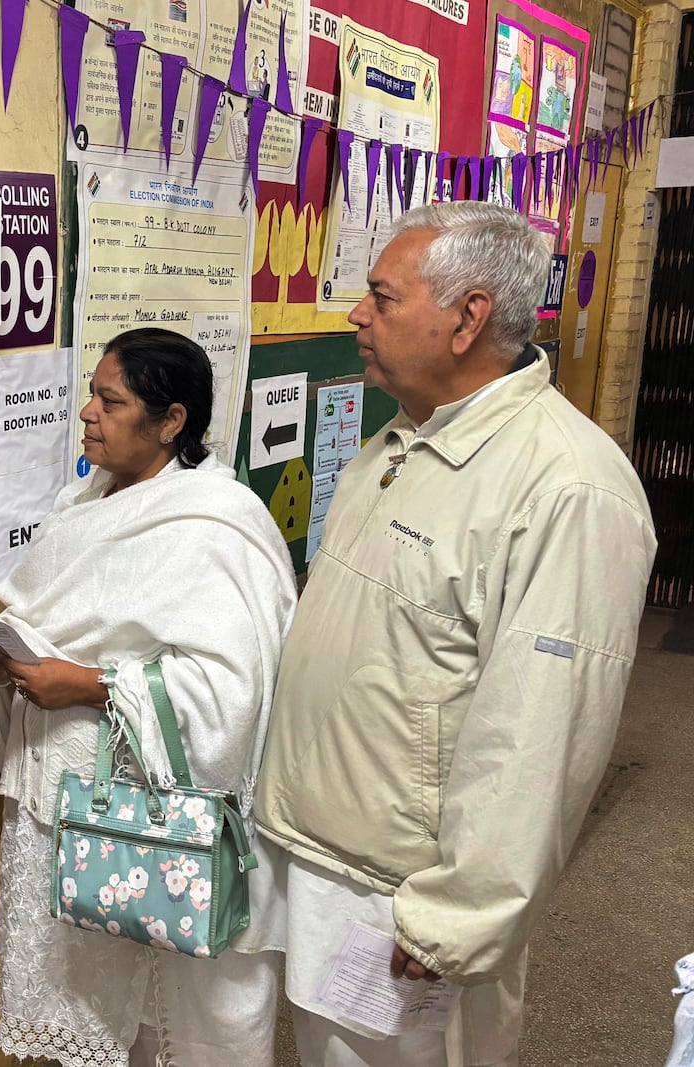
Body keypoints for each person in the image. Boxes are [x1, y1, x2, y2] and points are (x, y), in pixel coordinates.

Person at [253, 202, 656, 1067]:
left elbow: (541, 730)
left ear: (469, 317)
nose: (357, 315)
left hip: (406, 901)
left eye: (382, 297)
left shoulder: (570, 488)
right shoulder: (405, 437)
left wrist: (460, 916)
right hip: (330, 858)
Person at [0, 328, 297, 1066]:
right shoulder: (82, 499)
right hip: (66, 806)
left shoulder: (217, 524)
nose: (87, 412)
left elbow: (230, 693)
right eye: (92, 392)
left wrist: (85, 683)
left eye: (110, 400)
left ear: (171, 420)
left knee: (181, 1007)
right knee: (87, 1008)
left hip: (157, 826)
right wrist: (4, 656)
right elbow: (44, 611)